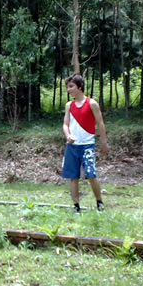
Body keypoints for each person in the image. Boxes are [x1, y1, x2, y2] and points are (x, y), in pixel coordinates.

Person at [61, 74, 108, 212]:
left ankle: (99, 203)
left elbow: (100, 123)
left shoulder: (92, 103)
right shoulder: (69, 105)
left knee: (91, 175)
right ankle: (76, 207)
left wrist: (104, 142)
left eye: (71, 86)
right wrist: (68, 135)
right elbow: (65, 124)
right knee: (73, 177)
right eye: (67, 87)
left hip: (87, 145)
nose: (69, 90)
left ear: (80, 87)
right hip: (72, 147)